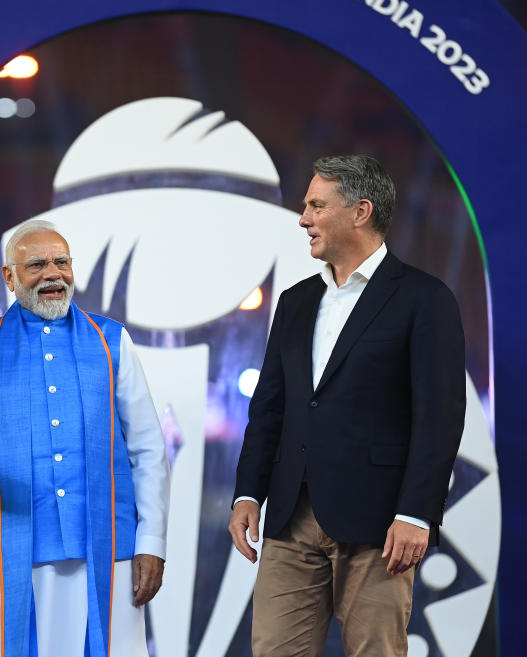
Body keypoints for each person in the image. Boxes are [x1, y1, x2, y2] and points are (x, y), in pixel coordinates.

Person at [229, 155, 466, 656]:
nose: (303, 218)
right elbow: (269, 408)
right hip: (290, 517)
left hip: (380, 524)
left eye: (316, 205)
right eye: (305, 206)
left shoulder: (425, 299)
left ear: (361, 211)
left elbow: (439, 418)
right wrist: (247, 494)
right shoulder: (294, 302)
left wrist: (417, 514)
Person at [0, 219, 170, 657]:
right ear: (9, 277)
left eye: (61, 262)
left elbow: (148, 449)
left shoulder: (112, 341)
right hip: (15, 544)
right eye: (37, 265)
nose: (53, 274)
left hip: (109, 547)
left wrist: (152, 543)